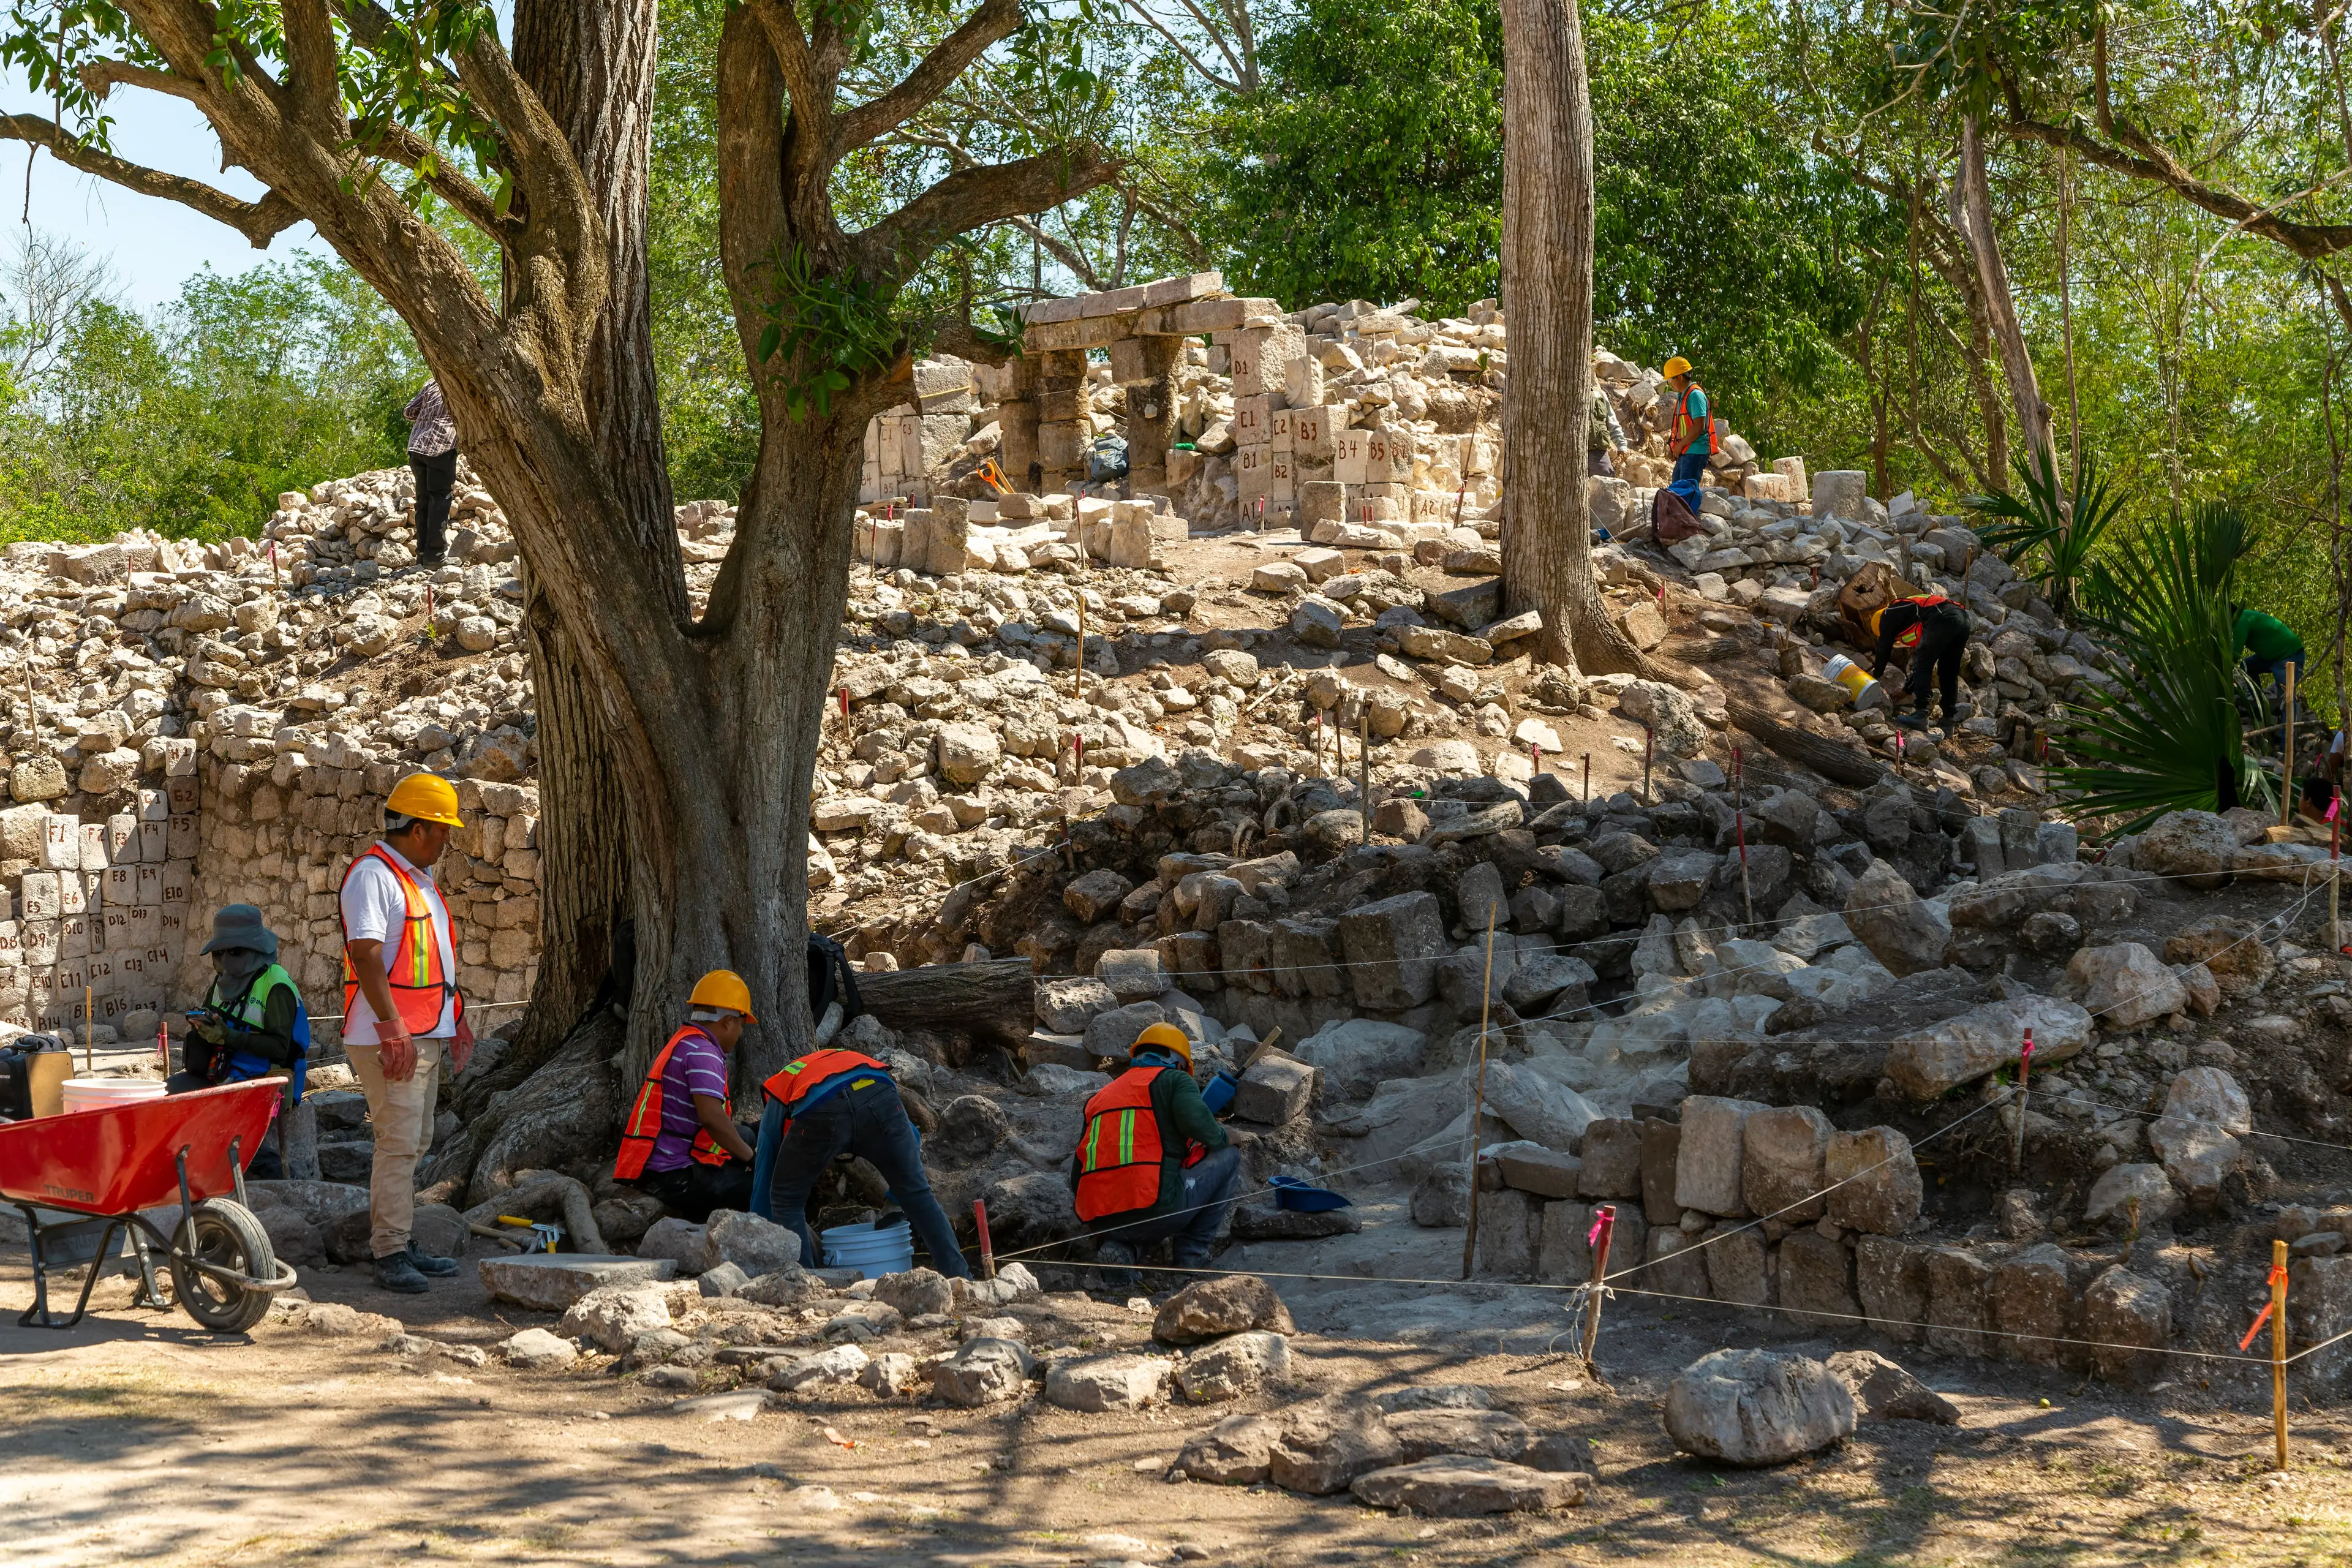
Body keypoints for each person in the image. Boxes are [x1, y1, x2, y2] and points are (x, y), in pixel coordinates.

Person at [339, 773, 474, 1294]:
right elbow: (366, 954)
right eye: (443, 831)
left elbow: (433, 961)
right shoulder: (374, 876)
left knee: (415, 1142)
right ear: (419, 829)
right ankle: (390, 1251)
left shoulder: (415, 878)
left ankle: (399, 1238)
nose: (448, 840)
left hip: (424, 1032)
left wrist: (454, 1019)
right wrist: (393, 1028)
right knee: (398, 1145)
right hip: (391, 1036)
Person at [755, 1034, 970, 1278]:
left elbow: (766, 1170)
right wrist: (897, 1199)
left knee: (786, 1200)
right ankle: (961, 1279)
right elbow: (912, 1137)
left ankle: (802, 1286)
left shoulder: (779, 1090)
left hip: (821, 1108)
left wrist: (759, 1230)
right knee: (918, 1194)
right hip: (878, 1094)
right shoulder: (844, 1059)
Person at [1069, 1023, 1240, 1291]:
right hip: (1156, 1209)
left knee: (1146, 1199)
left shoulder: (1099, 1097)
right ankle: (1189, 1262)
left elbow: (1076, 1177)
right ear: (1181, 1064)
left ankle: (1124, 1251)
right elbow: (1208, 1133)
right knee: (1229, 1156)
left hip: (1098, 1218)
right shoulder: (1176, 1080)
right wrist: (1229, 1134)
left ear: (1137, 1057)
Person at [171, 904, 309, 1180]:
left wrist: (229, 1037)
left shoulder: (276, 986)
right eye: (218, 953)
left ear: (253, 949)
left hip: (271, 1080)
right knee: (171, 1097)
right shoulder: (222, 983)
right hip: (222, 1072)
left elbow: (281, 1049)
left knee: (221, 1123)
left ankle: (278, 1178)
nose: (224, 960)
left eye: (233, 952)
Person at [614, 971, 758, 1221]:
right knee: (758, 1187)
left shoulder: (685, 1041)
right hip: (672, 1175)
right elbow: (712, 1118)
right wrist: (752, 1159)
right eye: (741, 1025)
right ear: (727, 1021)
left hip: (654, 1160)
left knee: (744, 1134)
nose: (740, 1034)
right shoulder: (705, 1054)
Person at [1870, 592, 1974, 731]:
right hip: (1963, 619)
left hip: (1943, 617)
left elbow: (1884, 647)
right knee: (1948, 671)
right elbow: (1924, 664)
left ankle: (1921, 715)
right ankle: (1948, 721)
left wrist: (1875, 676)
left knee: (1924, 662)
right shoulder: (1912, 618)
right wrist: (1907, 691)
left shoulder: (1888, 615)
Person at [403, 379, 458, 570]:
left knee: (423, 501)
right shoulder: (461, 381)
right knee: (440, 500)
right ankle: (435, 555)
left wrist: (428, 417)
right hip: (442, 445)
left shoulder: (431, 382)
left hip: (417, 445)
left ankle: (422, 554)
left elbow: (409, 411)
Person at [1662, 355, 1715, 492]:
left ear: (1680, 377)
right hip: (1687, 450)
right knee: (1677, 491)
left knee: (1684, 493)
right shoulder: (1683, 396)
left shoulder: (1695, 395)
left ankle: (1688, 514)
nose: (1670, 383)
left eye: (1671, 379)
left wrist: (1679, 446)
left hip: (1695, 451)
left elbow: (1698, 428)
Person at [2233, 605, 2305, 696]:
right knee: (2247, 665)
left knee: (2286, 698)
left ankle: (2263, 702)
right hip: (2273, 658)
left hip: (2290, 656)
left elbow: (2234, 656)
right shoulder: (2245, 617)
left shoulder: (2241, 620)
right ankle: (2258, 700)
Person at [1588, 385, 1627, 477]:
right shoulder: (1567, 393)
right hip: (1571, 453)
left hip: (1598, 451)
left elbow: (1612, 422)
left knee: (1608, 481)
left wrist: (1621, 445)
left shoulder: (1599, 394)